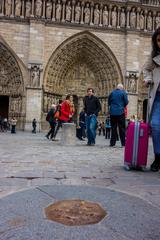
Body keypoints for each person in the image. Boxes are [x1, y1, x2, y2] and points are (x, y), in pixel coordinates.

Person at [143, 27, 160, 172]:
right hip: (158, 97)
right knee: (155, 126)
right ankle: (157, 157)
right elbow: (146, 69)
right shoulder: (154, 56)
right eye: (158, 40)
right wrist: (148, 79)